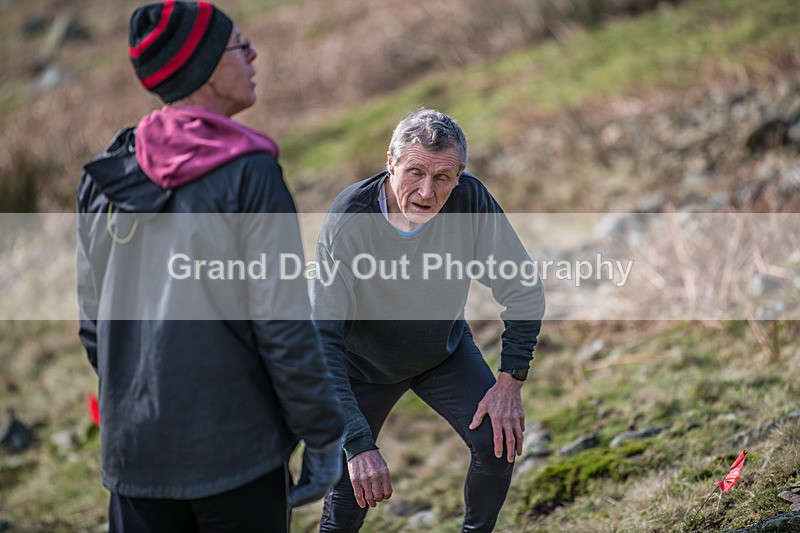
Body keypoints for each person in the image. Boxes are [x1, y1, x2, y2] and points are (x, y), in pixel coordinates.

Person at [76, 1, 344, 531]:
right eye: (239, 45)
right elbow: (282, 324)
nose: (253, 54)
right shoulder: (249, 174)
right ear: (203, 67)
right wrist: (322, 433)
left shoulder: (104, 177)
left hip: (133, 456)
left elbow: (93, 329)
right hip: (235, 455)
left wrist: (143, 406)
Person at [312, 108, 546, 532]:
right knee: (350, 498)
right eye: (414, 172)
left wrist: (511, 378)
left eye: (442, 178)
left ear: (459, 177)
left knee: (498, 443)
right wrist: (358, 444)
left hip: (442, 351)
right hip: (361, 367)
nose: (426, 191)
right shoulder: (350, 221)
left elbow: (523, 289)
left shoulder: (470, 201)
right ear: (390, 162)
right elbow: (322, 340)